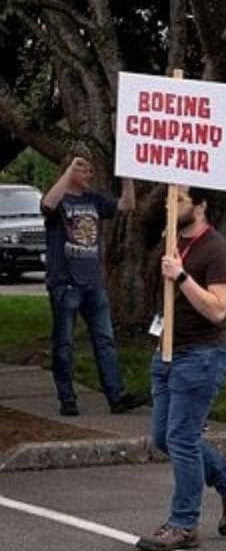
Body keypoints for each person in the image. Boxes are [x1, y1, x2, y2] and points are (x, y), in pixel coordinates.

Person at [135, 187, 226, 551]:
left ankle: (183, 523)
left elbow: (219, 310)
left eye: (180, 200)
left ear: (201, 205)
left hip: (202, 355)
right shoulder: (170, 241)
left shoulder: (217, 249)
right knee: (163, 437)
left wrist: (183, 276)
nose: (170, 205)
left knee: (182, 439)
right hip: (168, 352)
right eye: (170, 200)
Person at [40, 156, 145, 416]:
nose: (89, 174)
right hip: (65, 284)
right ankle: (67, 399)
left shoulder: (94, 200)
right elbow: (47, 205)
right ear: (69, 171)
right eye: (83, 169)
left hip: (93, 283)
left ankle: (116, 395)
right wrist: (67, 171)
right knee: (63, 344)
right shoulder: (60, 200)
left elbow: (127, 205)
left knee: (105, 341)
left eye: (90, 169)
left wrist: (127, 175)